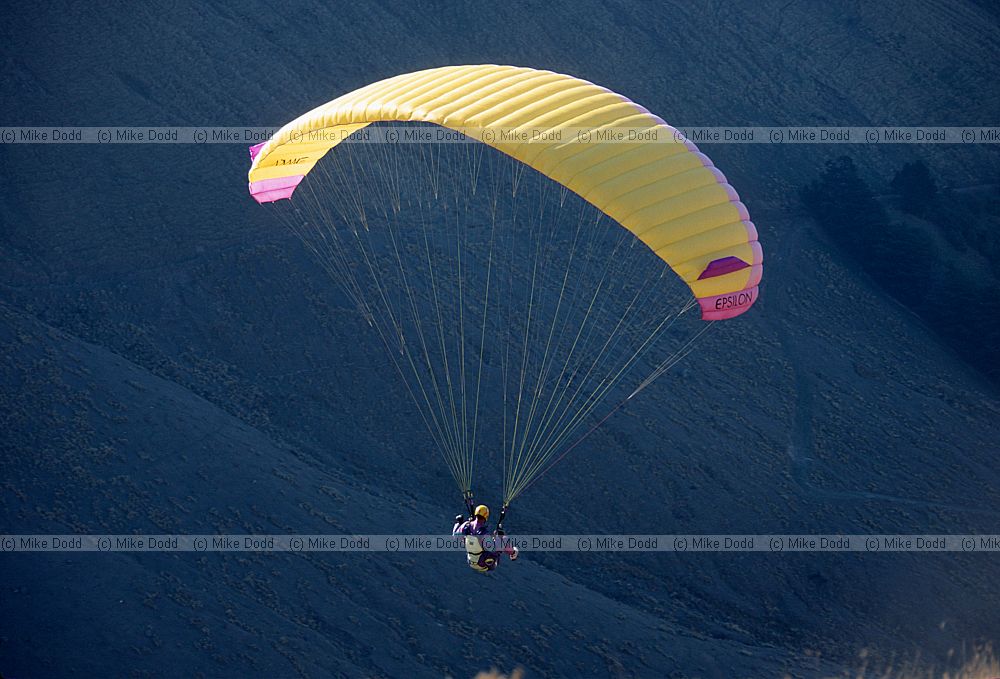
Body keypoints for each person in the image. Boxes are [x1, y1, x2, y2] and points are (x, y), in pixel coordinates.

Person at [452, 504, 518, 573]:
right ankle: (513, 553)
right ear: (486, 516)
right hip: (482, 563)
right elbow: (492, 548)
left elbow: (455, 536)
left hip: (471, 561)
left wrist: (459, 523)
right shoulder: (483, 533)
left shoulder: (466, 525)